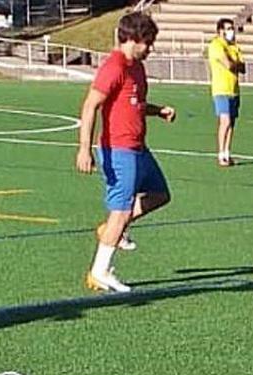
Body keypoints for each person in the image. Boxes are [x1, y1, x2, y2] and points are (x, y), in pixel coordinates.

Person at [75, 12, 176, 293]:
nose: (151, 48)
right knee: (119, 211)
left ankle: (111, 230)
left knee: (160, 195)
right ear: (133, 39)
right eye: (148, 42)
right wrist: (84, 149)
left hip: (138, 147)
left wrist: (158, 111)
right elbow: (90, 105)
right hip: (118, 150)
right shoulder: (114, 67)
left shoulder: (136, 68)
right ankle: (99, 272)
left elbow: (134, 104)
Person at [208, 18, 244, 167]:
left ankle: (227, 153)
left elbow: (243, 67)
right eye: (228, 28)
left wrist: (234, 64)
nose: (231, 31)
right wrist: (234, 64)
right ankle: (221, 153)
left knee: (232, 123)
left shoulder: (234, 47)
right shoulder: (216, 45)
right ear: (220, 30)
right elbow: (229, 65)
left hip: (234, 90)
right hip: (221, 89)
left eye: (232, 28)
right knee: (225, 121)